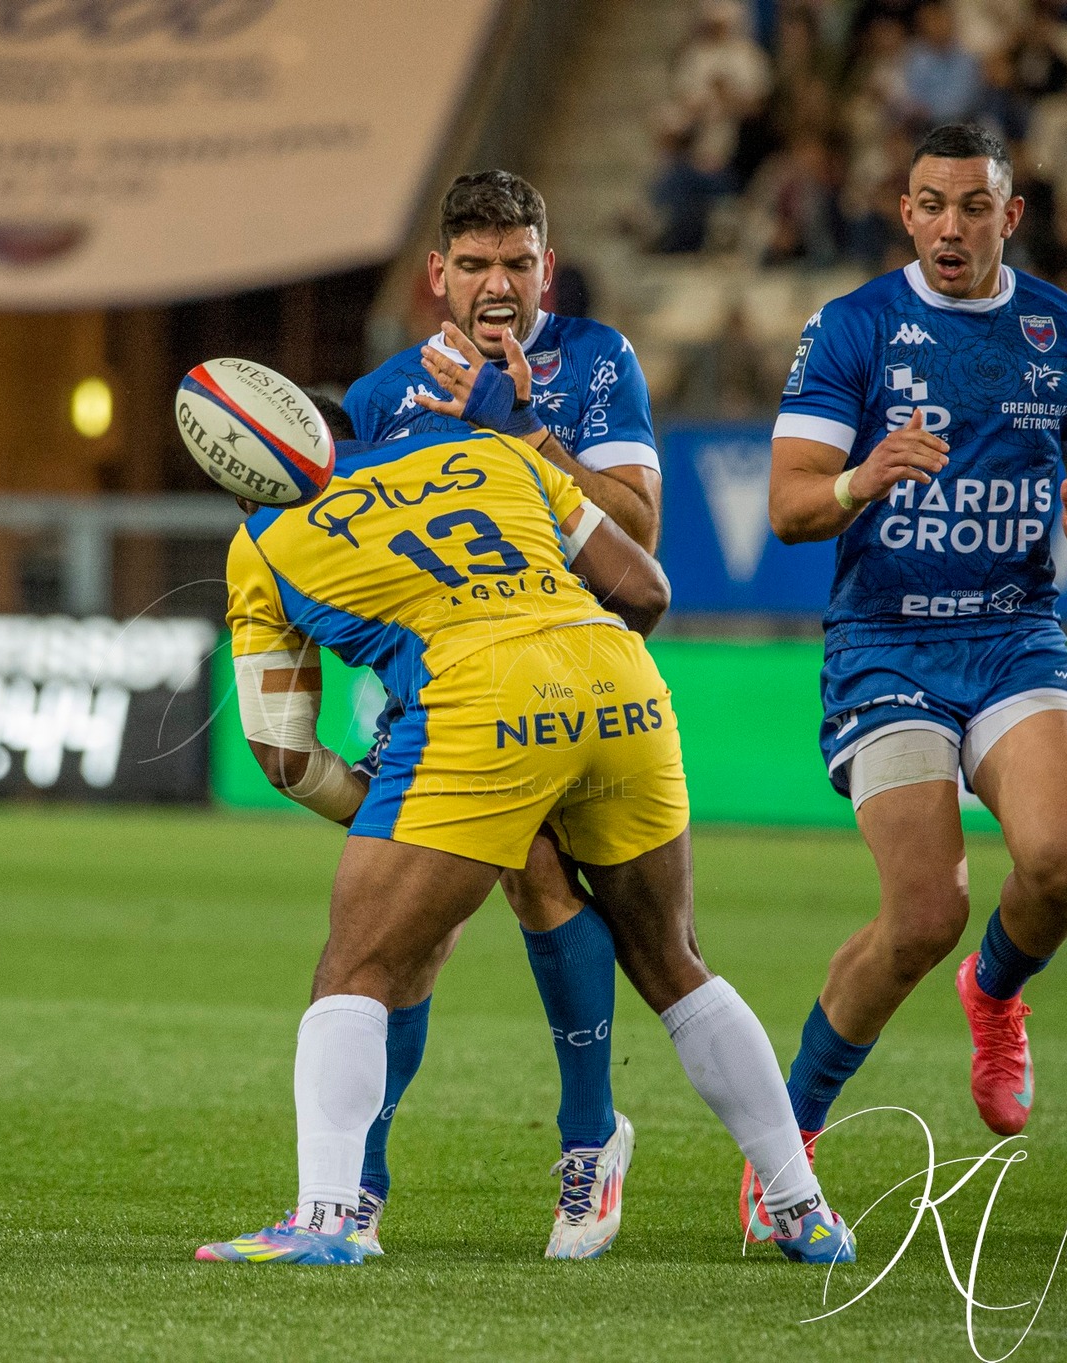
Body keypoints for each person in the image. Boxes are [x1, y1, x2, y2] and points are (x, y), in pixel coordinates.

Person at [195, 386, 853, 1267]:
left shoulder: (262, 541)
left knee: (356, 967)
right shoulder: (492, 454)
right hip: (618, 680)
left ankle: (326, 1220)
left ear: (245, 484)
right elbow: (648, 592)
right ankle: (800, 1207)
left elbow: (280, 753)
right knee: (674, 962)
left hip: (478, 705)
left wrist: (378, 812)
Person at [750, 124, 1067, 1238]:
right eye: (929, 205)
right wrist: (864, 475)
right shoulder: (855, 326)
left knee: (1063, 862)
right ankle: (790, 1137)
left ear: (1007, 215)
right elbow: (785, 506)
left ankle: (996, 994)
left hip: (1014, 629)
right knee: (923, 909)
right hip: (884, 642)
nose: (949, 227)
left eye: (972, 207)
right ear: (904, 210)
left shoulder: (1064, 333)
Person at [341, 170, 662, 1259]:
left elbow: (637, 533)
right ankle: (387, 1175)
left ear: (545, 269)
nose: (495, 284)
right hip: (457, 691)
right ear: (436, 275)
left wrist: (522, 434)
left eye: (515, 263)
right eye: (472, 263)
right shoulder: (382, 396)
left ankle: (584, 1138)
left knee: (617, 922)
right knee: (416, 931)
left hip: (583, 677)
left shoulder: (597, 364)